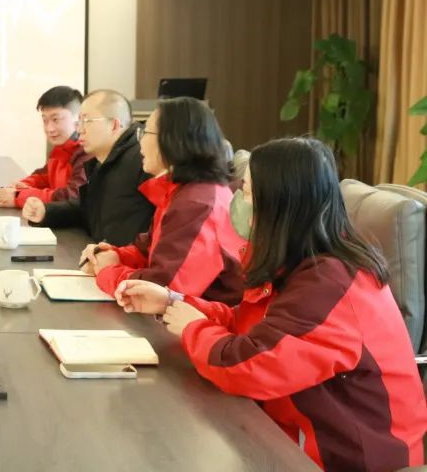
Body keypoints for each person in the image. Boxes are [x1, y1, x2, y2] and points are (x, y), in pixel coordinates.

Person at [115, 137, 427, 472]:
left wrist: (193, 327)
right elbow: (252, 325)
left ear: (281, 205)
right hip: (296, 436)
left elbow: (248, 365)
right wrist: (172, 303)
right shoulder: (303, 261)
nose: (239, 202)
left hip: (353, 459)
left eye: (247, 192)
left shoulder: (330, 285)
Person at [81, 97, 243, 304]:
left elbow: (161, 291)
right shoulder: (183, 190)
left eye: (145, 132)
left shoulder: (198, 203)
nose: (140, 142)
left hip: (199, 317)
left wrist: (106, 271)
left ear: (173, 141)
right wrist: (115, 255)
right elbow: (149, 248)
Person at [22, 90, 154, 246]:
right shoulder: (103, 161)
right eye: (79, 121)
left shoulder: (142, 161)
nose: (79, 130)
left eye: (86, 121)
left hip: (120, 259)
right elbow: (88, 209)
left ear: (114, 125)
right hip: (100, 255)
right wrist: (46, 212)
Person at [0, 86, 88, 208]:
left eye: (56, 119)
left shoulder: (86, 152)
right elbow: (44, 177)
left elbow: (71, 197)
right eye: (45, 120)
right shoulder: (60, 148)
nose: (49, 128)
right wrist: (20, 186)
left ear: (78, 119)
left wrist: (18, 196)